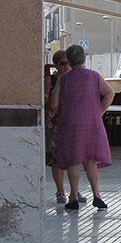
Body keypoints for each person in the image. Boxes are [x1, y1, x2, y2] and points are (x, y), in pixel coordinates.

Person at [50, 45, 115, 211]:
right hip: (92, 123)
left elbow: (54, 104)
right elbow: (109, 93)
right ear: (84, 58)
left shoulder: (63, 79)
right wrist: (99, 112)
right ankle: (97, 195)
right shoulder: (94, 76)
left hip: (70, 123)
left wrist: (65, 112)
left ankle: (73, 197)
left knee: (74, 159)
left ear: (70, 60)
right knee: (90, 159)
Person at [44, 51, 85, 204]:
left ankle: (74, 191)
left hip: (72, 122)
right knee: (56, 159)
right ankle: (60, 191)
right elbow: (47, 100)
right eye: (62, 63)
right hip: (55, 123)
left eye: (68, 63)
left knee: (73, 158)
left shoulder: (74, 79)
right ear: (56, 65)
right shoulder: (52, 80)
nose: (66, 66)